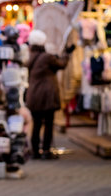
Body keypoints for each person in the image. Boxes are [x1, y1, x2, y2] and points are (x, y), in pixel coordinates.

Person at [25, 29, 74, 160]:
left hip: (34, 95)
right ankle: (46, 150)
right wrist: (66, 54)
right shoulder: (46, 57)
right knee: (48, 123)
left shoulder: (30, 56)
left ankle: (35, 150)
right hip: (47, 96)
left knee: (36, 124)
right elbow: (61, 64)